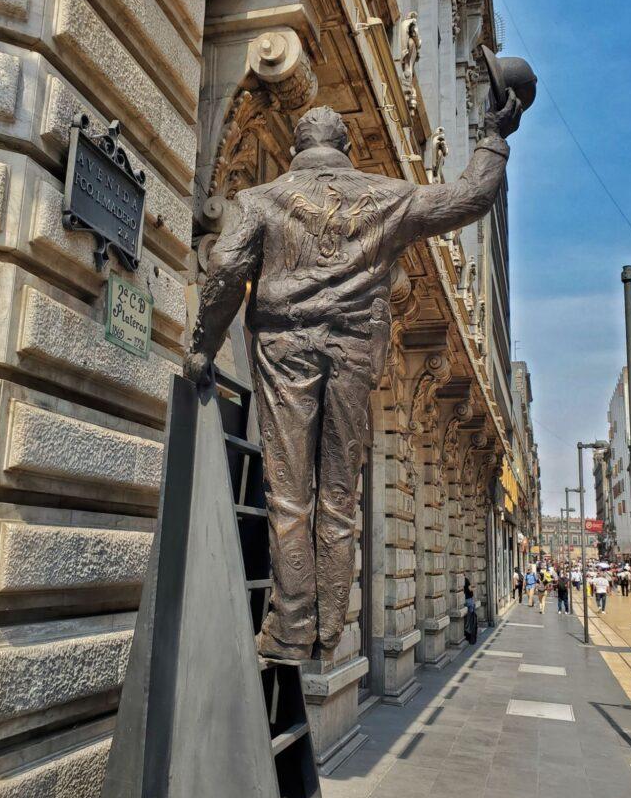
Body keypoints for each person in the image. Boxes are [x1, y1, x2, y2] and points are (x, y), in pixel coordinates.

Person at [185, 96, 523, 660]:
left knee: (290, 491)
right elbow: (470, 197)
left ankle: (291, 626)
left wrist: (202, 349)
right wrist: (492, 135)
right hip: (353, 352)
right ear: (344, 149)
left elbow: (223, 272)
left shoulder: (258, 200)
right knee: (340, 492)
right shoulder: (387, 197)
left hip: (283, 347)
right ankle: (331, 627)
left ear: (297, 149)